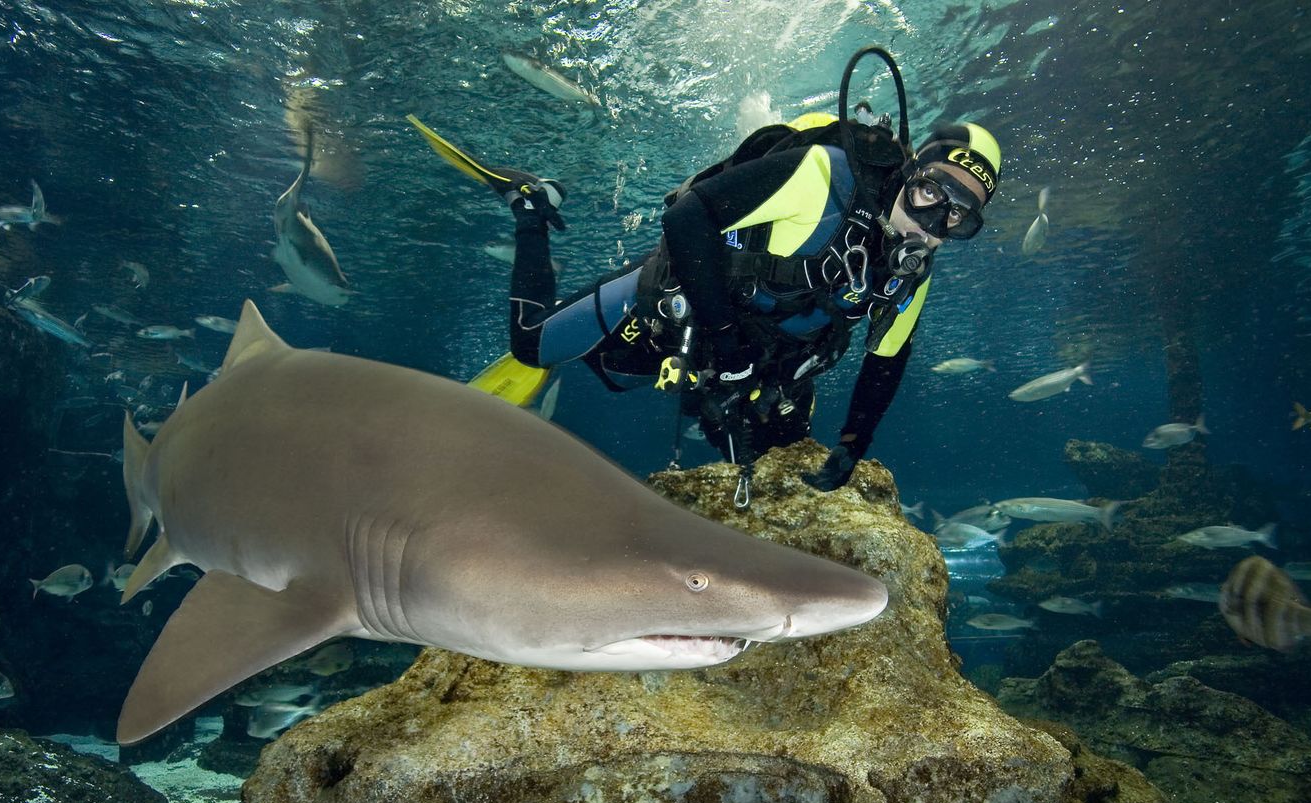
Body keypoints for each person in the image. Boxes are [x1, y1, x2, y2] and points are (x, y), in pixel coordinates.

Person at [409, 48, 999, 504]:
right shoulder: (823, 175)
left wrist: (853, 444)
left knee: (770, 456)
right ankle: (531, 205)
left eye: (957, 218)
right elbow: (688, 216)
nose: (931, 224)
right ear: (909, 169)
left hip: (755, 359)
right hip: (684, 306)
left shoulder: (912, 268)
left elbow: (887, 358)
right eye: (929, 193)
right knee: (536, 347)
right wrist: (723, 336)